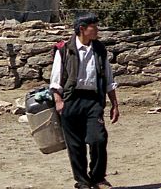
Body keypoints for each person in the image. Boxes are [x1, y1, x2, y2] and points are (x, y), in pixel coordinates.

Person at [50, 12, 120, 189]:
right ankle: (82, 182)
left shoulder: (100, 50)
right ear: (82, 29)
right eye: (94, 27)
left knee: (98, 139)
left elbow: (109, 79)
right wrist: (59, 101)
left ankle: (97, 178)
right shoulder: (64, 50)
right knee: (75, 144)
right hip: (71, 100)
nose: (97, 31)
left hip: (93, 101)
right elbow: (56, 79)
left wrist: (114, 104)